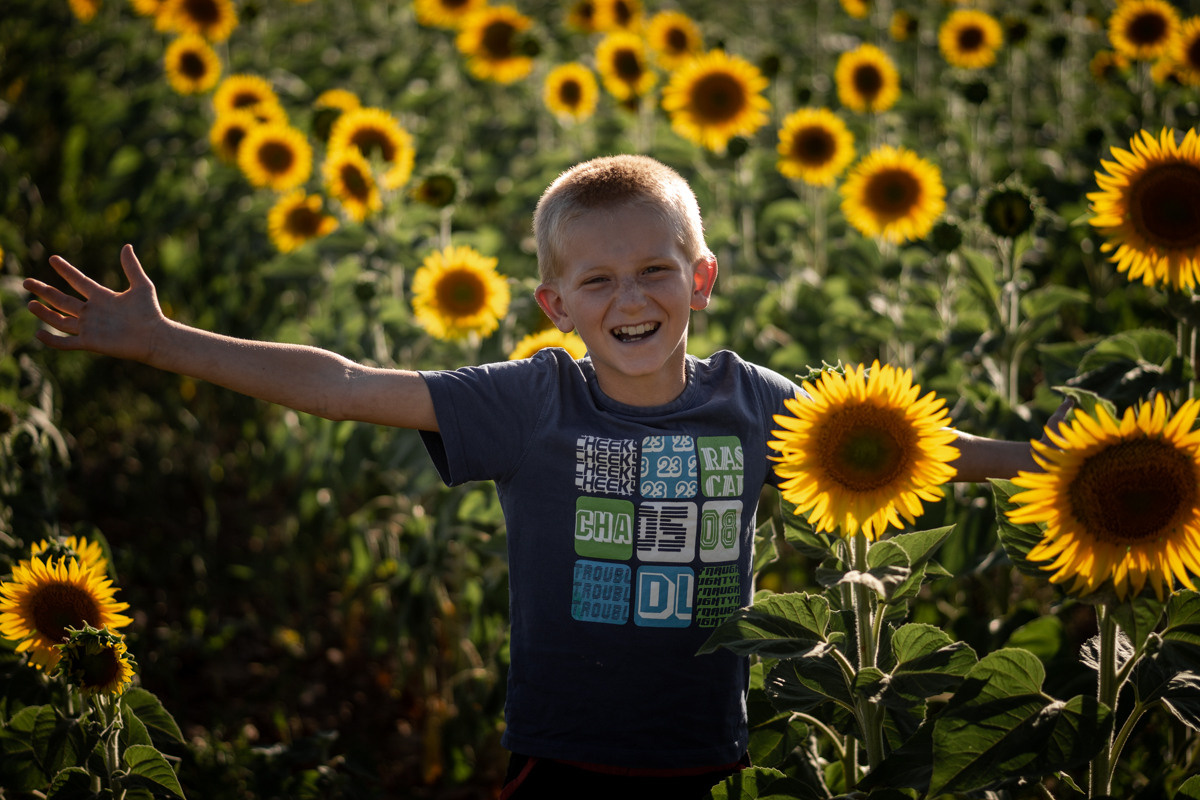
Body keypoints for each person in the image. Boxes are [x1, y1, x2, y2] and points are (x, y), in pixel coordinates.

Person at [24, 154, 1057, 798]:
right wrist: (164, 345)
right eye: (597, 279)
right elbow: (343, 383)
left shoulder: (751, 400)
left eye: (656, 269)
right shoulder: (533, 399)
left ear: (700, 279)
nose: (631, 297)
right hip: (563, 753)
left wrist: (1066, 466)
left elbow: (924, 449)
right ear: (555, 304)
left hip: (716, 750)